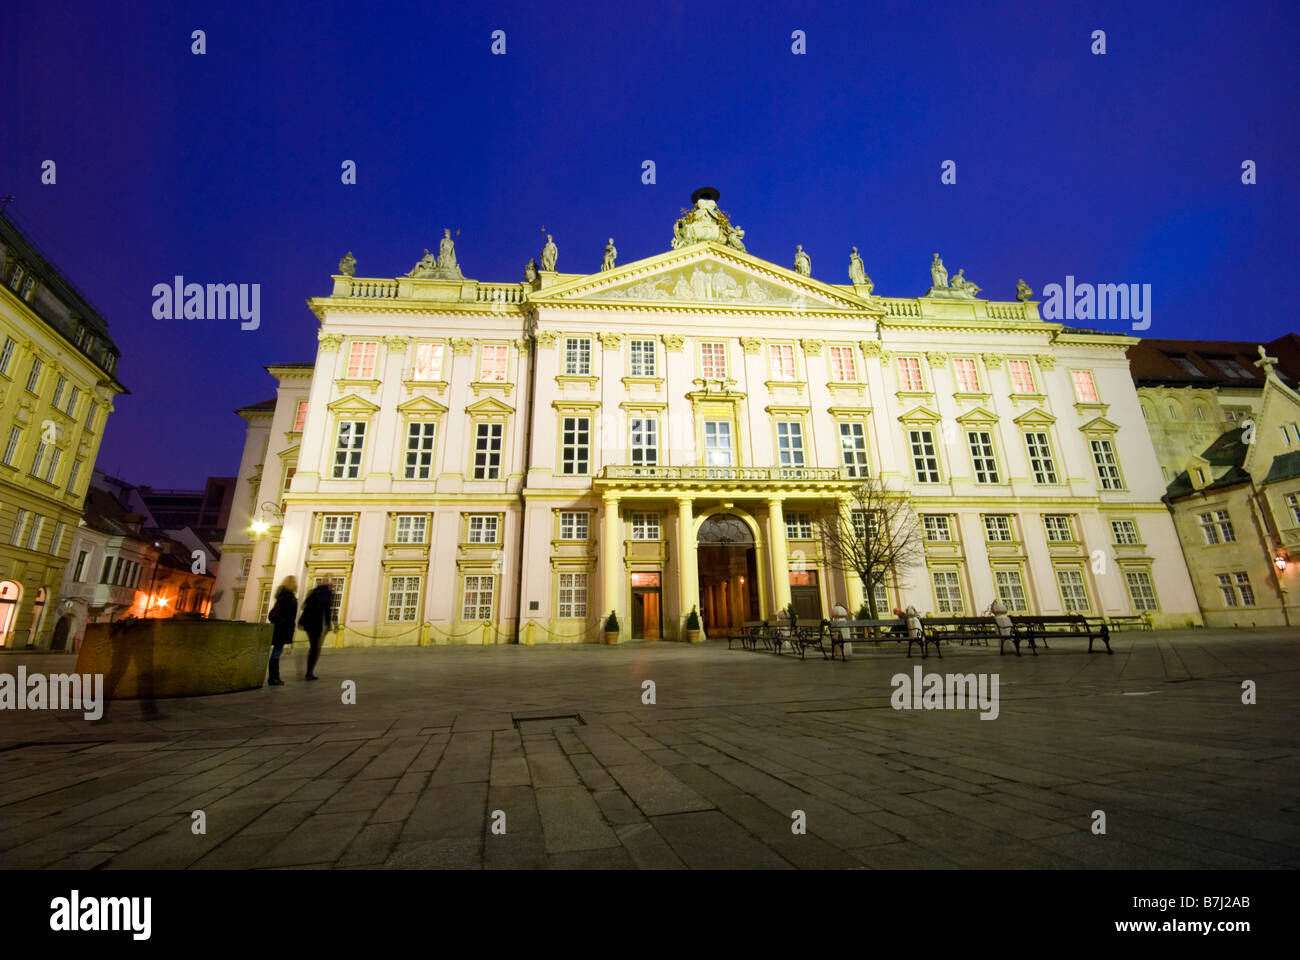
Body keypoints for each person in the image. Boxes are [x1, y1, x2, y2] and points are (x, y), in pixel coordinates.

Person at [298, 579, 336, 681]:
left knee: (314, 647)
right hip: (317, 624)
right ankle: (309, 673)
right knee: (315, 649)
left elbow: (303, 606)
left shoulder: (314, 591)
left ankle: (309, 672)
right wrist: (329, 625)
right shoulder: (327, 593)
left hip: (308, 623)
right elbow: (328, 610)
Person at [265, 576, 298, 686]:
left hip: (278, 628)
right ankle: (274, 678)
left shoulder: (281, 596)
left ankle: (274, 677)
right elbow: (290, 616)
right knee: (276, 653)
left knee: (276, 652)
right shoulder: (289, 598)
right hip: (283, 629)